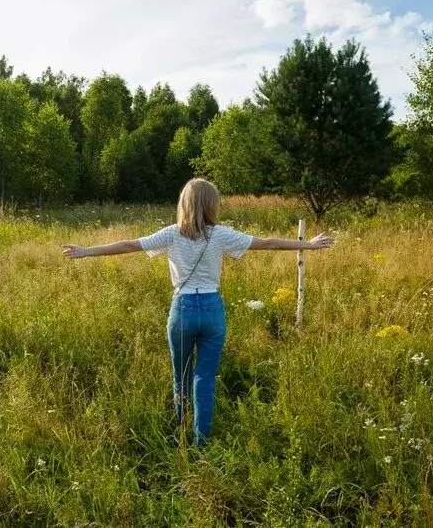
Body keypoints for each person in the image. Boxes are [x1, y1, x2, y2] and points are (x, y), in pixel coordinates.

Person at [62, 178, 335, 445]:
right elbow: (266, 242)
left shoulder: (171, 233)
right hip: (212, 310)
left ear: (184, 203)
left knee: (180, 375)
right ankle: (201, 441)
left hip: (182, 310)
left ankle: (181, 432)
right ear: (211, 205)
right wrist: (308, 245)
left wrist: (87, 251)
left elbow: (130, 245)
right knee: (205, 377)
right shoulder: (221, 234)